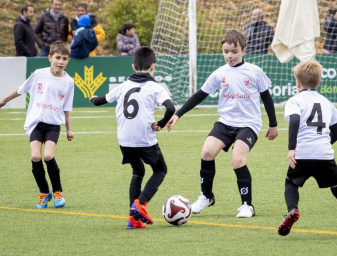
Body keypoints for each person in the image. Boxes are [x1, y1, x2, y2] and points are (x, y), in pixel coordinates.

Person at [167, 30, 278, 218]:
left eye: (234, 52)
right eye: (226, 51)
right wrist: (178, 114)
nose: (229, 56)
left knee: (237, 160)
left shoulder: (254, 71)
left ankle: (247, 205)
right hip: (225, 123)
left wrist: (273, 124)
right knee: (207, 152)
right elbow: (199, 95)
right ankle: (206, 197)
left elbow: (266, 98)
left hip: (249, 124)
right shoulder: (219, 73)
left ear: (243, 51)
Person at [89, 46, 175, 229]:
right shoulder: (155, 87)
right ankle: (140, 204)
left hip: (124, 140)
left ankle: (133, 219)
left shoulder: (123, 85)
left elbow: (99, 101)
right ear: (153, 66)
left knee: (138, 172)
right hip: (144, 139)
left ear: (133, 67)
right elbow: (170, 108)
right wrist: (160, 123)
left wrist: (93, 98)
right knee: (160, 169)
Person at [278, 60, 337, 239]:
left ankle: (292, 210)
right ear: (319, 82)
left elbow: (293, 121)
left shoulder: (295, 101)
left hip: (302, 154)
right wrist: (322, 145)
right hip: (324, 155)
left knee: (291, 183)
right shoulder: (326, 102)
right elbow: (336, 133)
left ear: (297, 82)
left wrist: (291, 148)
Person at [0, 41, 74, 209]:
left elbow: (67, 108)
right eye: (57, 57)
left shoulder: (69, 82)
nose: (60, 61)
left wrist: (69, 129)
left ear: (68, 60)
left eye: (64, 58)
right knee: (35, 157)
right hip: (36, 123)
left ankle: (58, 192)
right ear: (50, 58)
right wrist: (4, 100)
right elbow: (22, 88)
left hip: (53, 125)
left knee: (48, 156)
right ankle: (44, 193)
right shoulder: (39, 74)